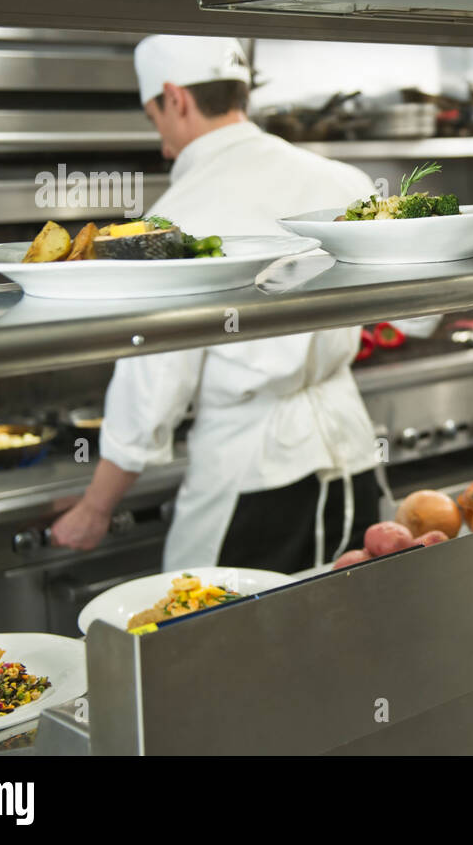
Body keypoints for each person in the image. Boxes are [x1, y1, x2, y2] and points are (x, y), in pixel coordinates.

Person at [50, 35, 384, 571]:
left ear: (175, 98)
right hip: (354, 461)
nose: (161, 142)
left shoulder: (175, 217)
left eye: (153, 117)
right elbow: (415, 318)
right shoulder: (344, 178)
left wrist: (96, 505)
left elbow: (154, 381)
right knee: (347, 636)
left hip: (253, 479)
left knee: (216, 643)